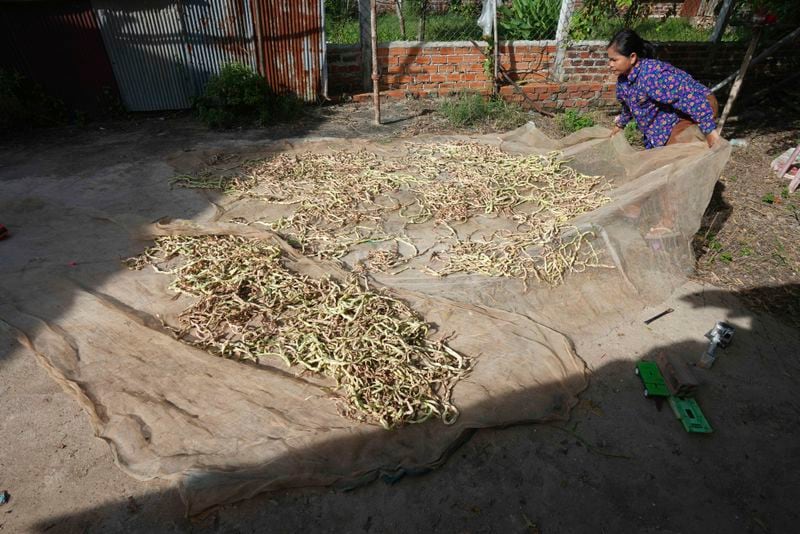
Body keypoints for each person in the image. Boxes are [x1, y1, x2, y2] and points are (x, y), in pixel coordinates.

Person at [607, 29, 720, 149]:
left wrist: (709, 130)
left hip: (699, 105)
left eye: (614, 60)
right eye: (609, 59)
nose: (610, 64)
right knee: (660, 157)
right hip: (666, 121)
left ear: (632, 57)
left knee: (677, 157)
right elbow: (628, 105)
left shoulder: (652, 75)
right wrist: (620, 125)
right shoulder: (623, 81)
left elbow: (687, 96)